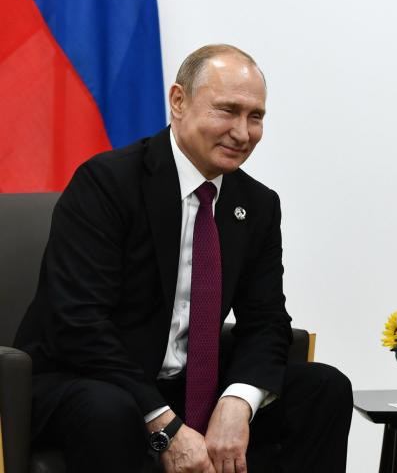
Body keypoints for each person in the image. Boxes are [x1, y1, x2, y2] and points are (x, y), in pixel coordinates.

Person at [15, 45, 352, 473]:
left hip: (189, 386)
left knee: (324, 388)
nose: (242, 132)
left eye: (256, 116)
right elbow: (78, 324)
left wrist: (238, 401)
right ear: (178, 101)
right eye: (227, 110)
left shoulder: (258, 204)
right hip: (84, 380)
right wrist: (166, 426)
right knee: (109, 409)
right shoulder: (107, 182)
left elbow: (267, 321)